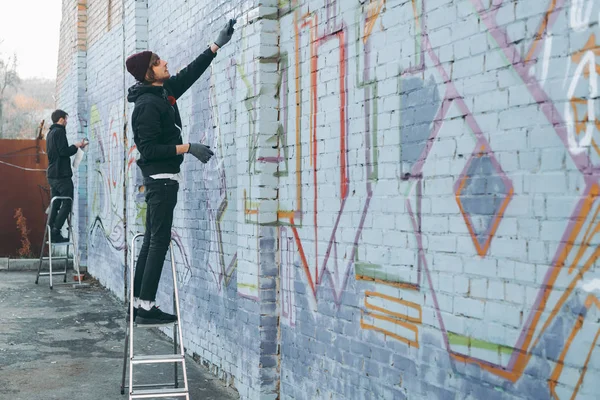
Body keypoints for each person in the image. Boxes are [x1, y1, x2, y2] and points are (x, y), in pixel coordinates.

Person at [126, 19, 236, 325]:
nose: (165, 63)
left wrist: (215, 46)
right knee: (157, 242)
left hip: (163, 183)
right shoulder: (147, 105)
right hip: (160, 183)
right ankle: (146, 306)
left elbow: (189, 75)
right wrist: (187, 148)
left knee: (152, 241)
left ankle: (138, 303)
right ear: (149, 73)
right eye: (158, 62)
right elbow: (148, 151)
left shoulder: (163, 92)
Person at [46, 109, 88, 243]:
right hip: (61, 175)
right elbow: (64, 152)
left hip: (53, 175)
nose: (67, 122)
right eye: (66, 119)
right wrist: (75, 146)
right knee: (67, 202)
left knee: (56, 203)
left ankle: (50, 231)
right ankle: (55, 231)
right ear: (61, 119)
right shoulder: (59, 132)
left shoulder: (50, 133)